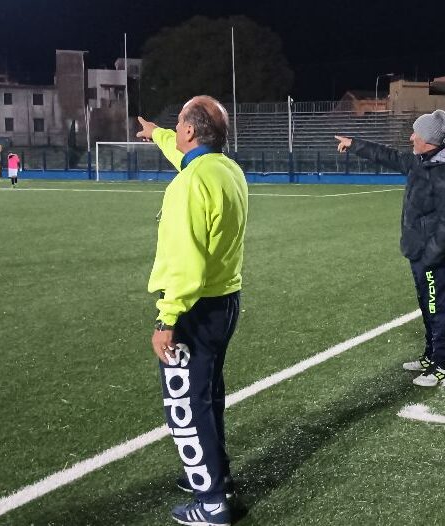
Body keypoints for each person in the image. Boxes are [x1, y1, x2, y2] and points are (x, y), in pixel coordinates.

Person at [136, 95, 248, 526]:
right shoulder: (225, 169)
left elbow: (186, 264)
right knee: (208, 394)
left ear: (189, 130)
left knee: (186, 403)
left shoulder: (188, 185)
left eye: (178, 124)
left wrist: (167, 318)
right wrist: (156, 134)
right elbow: (181, 153)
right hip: (225, 300)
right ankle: (218, 477)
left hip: (193, 309)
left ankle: (212, 501)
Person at [335, 109, 445, 387]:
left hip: (431, 256)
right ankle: (430, 355)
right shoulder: (421, 161)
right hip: (418, 251)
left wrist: (431, 255)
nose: (411, 138)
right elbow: (388, 156)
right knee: (426, 305)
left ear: (427, 140)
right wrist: (354, 144)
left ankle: (441, 364)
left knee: (436, 307)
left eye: (415, 134)